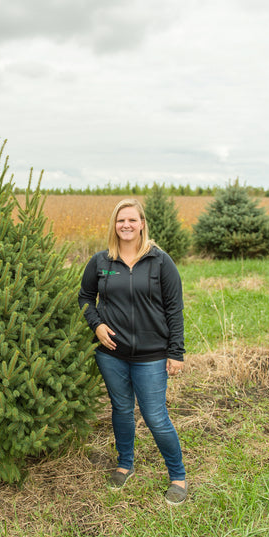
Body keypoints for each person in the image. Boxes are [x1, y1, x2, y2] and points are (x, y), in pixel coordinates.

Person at [78, 198, 187, 505]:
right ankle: (125, 464)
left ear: (142, 224)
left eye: (132, 220)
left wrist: (175, 352)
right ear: (114, 225)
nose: (126, 225)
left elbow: (174, 309)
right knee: (122, 411)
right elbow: (85, 297)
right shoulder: (101, 262)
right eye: (120, 220)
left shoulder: (160, 262)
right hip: (111, 355)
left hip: (152, 356)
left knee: (155, 416)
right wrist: (96, 325)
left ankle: (177, 475)